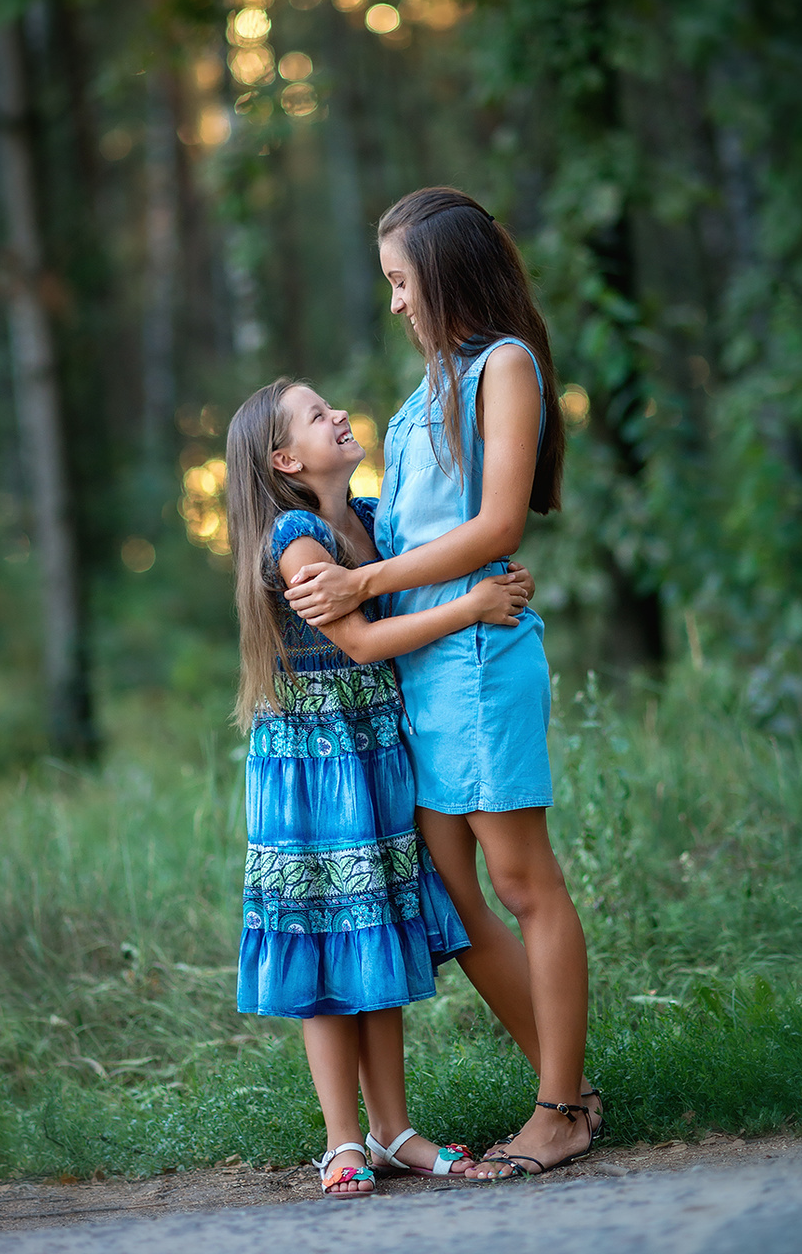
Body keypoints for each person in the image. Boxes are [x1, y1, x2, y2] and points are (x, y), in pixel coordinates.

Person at [284, 186, 602, 1180]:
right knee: (452, 901)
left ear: (444, 275)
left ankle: (557, 1106)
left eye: (399, 281)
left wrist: (364, 583)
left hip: (480, 665)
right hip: (424, 671)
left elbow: (495, 525)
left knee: (519, 879)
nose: (393, 303)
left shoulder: (501, 367)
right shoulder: (427, 392)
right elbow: (412, 529)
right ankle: (570, 1089)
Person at [226, 376, 531, 1198]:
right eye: (316, 416)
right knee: (327, 936)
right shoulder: (294, 535)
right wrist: (473, 606)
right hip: (314, 760)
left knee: (372, 928)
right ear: (287, 458)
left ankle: (393, 1129)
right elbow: (361, 643)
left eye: (332, 405)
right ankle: (341, 1139)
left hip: (372, 744)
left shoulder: (364, 520)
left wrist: (488, 575)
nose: (337, 415)